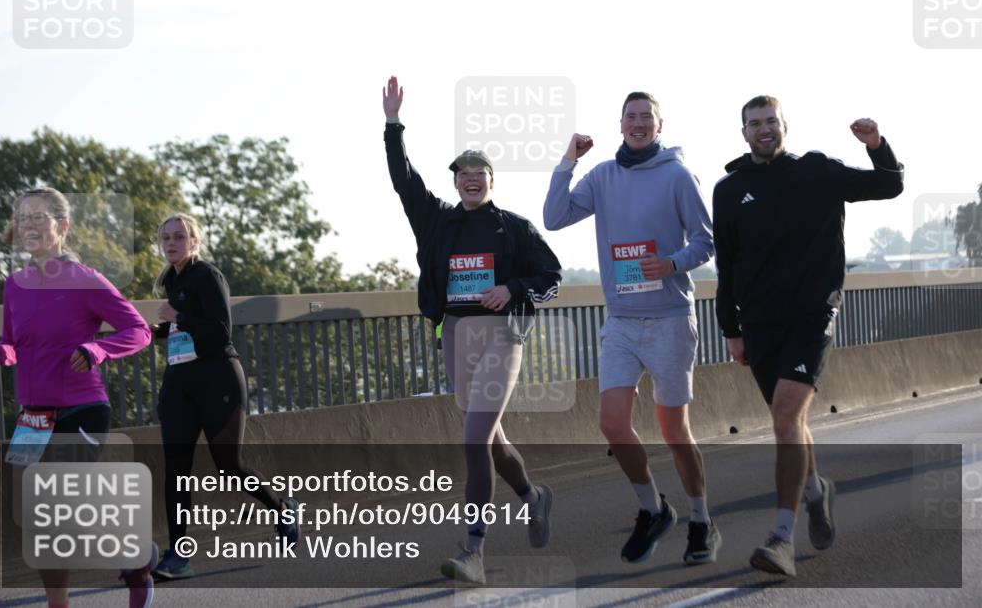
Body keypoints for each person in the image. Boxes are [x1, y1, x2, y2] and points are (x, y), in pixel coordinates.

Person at [712, 95, 904, 576]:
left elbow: (889, 185)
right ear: (744, 133)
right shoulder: (730, 189)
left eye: (771, 121)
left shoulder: (816, 171)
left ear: (784, 125)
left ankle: (780, 537)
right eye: (754, 124)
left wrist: (876, 145)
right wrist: (731, 329)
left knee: (784, 415)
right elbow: (727, 263)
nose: (764, 129)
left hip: (811, 317)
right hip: (758, 324)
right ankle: (817, 491)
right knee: (789, 423)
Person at [382, 76, 562, 584]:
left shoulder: (514, 227)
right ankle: (533, 496)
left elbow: (551, 277)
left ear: (491, 180)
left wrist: (514, 289)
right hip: (457, 335)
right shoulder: (438, 222)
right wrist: (393, 125)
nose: (471, 180)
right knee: (492, 440)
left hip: (502, 337)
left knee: (473, 439)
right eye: (463, 174)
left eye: (479, 173)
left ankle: (474, 551)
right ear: (456, 182)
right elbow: (404, 180)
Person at [543, 93, 720, 565]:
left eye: (647, 118)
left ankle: (701, 520)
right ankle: (653, 509)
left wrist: (671, 263)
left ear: (660, 124)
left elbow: (706, 242)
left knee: (674, 431)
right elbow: (554, 218)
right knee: (612, 423)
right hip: (620, 318)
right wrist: (568, 161)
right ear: (620, 124)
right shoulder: (602, 176)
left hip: (668, 318)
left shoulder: (679, 176)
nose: (638, 124)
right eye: (631, 118)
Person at [0, 187, 156, 608]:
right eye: (23, 217)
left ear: (62, 226)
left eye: (39, 217)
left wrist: (95, 349)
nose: (28, 225)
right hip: (33, 417)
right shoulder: (15, 286)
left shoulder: (86, 280)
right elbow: (13, 345)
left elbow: (139, 331)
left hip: (81, 406)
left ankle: (136, 559)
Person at [150, 213, 301, 579]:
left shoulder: (208, 275)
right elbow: (184, 329)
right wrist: (159, 329)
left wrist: (178, 317)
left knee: (228, 467)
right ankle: (178, 555)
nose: (171, 243)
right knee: (176, 469)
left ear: (194, 241)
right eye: (166, 238)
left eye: (179, 237)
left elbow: (219, 331)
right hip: (180, 384)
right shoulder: (171, 280)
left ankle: (282, 507)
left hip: (218, 382)